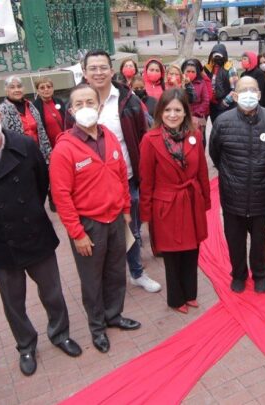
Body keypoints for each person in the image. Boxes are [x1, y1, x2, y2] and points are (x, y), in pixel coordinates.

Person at [0, 96, 81, 377]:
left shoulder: (24, 144)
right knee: (13, 302)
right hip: (2, 240)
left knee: (52, 292)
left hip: (35, 232)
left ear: (0, 116)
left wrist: (31, 211)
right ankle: (25, 345)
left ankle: (60, 334)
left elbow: (40, 182)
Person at [50, 83, 142, 354]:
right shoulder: (65, 149)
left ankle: (114, 315)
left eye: (90, 102)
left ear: (99, 106)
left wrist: (126, 209)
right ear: (71, 110)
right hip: (88, 225)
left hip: (115, 218)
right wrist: (77, 233)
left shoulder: (110, 137)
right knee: (92, 279)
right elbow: (61, 196)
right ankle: (97, 327)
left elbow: (121, 175)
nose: (86, 108)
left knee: (116, 272)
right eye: (79, 104)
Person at [83, 50, 162, 294]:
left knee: (133, 229)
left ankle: (137, 272)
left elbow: (143, 138)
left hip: (126, 178)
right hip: (92, 184)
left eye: (103, 67)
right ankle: (108, 281)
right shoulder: (78, 101)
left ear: (111, 69)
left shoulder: (127, 99)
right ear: (85, 72)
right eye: (93, 68)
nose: (98, 72)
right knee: (100, 234)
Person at [210, 76, 265, 293]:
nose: (249, 94)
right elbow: (216, 155)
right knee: (235, 239)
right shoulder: (223, 122)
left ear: (260, 94)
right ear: (234, 95)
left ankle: (260, 274)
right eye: (243, 90)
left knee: (259, 239)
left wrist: (264, 171)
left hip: (262, 192)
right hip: (233, 193)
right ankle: (239, 274)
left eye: (253, 89)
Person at [140, 88, 211, 313]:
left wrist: (205, 201)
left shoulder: (195, 135)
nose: (172, 114)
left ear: (185, 112)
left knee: (192, 250)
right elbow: (146, 180)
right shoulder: (150, 140)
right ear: (160, 112)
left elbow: (202, 173)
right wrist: (146, 213)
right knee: (172, 255)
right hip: (166, 205)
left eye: (177, 110)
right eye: (168, 109)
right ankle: (176, 298)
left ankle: (190, 293)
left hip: (191, 202)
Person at [0, 75, 52, 162]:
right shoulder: (2, 110)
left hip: (38, 152)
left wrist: (48, 152)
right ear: (6, 90)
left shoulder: (30, 106)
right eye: (12, 87)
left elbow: (42, 132)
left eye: (19, 86)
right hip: (18, 156)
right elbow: (2, 138)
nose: (17, 90)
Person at [204, 43, 239, 123]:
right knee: (215, 126)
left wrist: (225, 102)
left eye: (219, 56)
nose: (217, 58)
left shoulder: (230, 69)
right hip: (212, 105)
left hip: (225, 105)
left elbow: (235, 89)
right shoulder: (208, 68)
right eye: (215, 56)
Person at [182, 58, 212, 140]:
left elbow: (206, 101)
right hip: (183, 116)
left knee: (199, 138)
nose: (190, 74)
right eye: (188, 71)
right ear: (183, 71)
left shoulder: (201, 83)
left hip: (198, 116)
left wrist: (196, 114)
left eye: (193, 72)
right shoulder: (180, 82)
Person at [32, 77, 66, 148]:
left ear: (53, 88)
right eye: (42, 88)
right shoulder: (34, 107)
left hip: (65, 142)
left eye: (48, 87)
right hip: (49, 146)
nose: (46, 89)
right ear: (37, 91)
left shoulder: (59, 101)